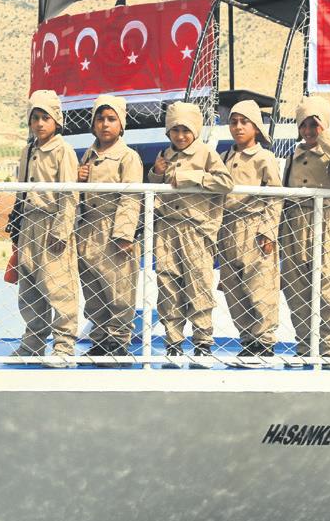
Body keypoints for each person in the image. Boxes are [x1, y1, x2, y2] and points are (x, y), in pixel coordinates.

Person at [147, 101, 233, 365]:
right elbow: (156, 187)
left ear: (195, 130)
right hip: (167, 228)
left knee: (198, 285)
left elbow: (225, 182)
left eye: (186, 130)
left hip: (195, 229)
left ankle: (202, 343)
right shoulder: (164, 154)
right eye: (175, 130)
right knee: (168, 285)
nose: (180, 136)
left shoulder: (206, 154)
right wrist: (156, 173)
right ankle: (173, 342)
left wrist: (191, 177)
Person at [279, 95, 330, 361]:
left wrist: (327, 138)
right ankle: (304, 346)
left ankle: (329, 348)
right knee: (297, 288)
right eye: (304, 124)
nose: (309, 130)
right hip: (295, 224)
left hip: (329, 222)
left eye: (315, 124)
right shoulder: (292, 156)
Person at [11, 90, 80, 362]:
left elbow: (70, 194)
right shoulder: (27, 151)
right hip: (29, 223)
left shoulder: (64, 151)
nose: (39, 123)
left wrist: (62, 230)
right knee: (29, 288)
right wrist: (17, 227)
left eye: (45, 118)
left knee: (59, 286)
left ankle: (64, 345)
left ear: (57, 120)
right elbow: (21, 191)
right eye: (35, 118)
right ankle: (33, 342)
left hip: (52, 223)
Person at [76, 95, 143, 357]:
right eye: (100, 119)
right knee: (93, 289)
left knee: (119, 288)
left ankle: (118, 341)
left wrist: (124, 234)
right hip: (88, 227)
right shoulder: (88, 155)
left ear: (121, 124)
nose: (105, 124)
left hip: (114, 228)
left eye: (111, 119)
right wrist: (77, 178)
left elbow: (131, 196)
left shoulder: (128, 157)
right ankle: (100, 339)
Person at [218, 100, 282, 358]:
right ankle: (247, 339)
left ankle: (264, 341)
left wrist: (268, 231)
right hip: (227, 228)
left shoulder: (264, 158)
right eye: (234, 122)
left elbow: (275, 196)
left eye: (244, 122)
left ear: (256, 127)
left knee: (260, 286)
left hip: (254, 226)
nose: (238, 127)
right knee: (233, 287)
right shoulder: (224, 157)